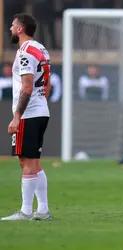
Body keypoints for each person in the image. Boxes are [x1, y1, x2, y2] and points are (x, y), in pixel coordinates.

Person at [1, 13, 51, 221]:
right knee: (31, 162)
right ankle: (43, 210)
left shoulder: (25, 52)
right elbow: (46, 84)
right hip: (41, 110)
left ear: (20, 28)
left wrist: (17, 116)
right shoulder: (41, 48)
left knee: (27, 162)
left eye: (13, 25)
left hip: (29, 114)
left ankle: (26, 211)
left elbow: (27, 87)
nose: (10, 29)